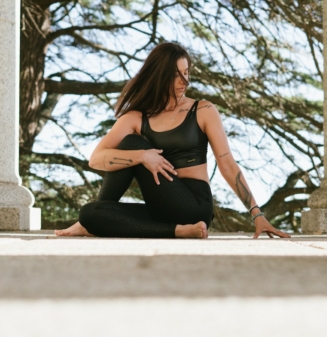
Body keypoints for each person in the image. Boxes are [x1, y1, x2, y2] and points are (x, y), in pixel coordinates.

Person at [55, 42, 290, 240]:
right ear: (159, 76)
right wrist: (142, 157)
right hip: (161, 208)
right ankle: (176, 231)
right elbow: (96, 159)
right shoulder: (137, 118)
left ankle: (177, 227)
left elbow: (228, 165)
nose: (183, 81)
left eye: (186, 72)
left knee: (130, 143)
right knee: (90, 212)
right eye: (175, 75)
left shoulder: (202, 110)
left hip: (193, 204)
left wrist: (257, 214)